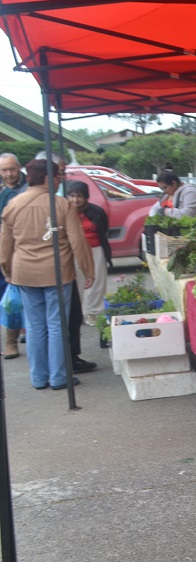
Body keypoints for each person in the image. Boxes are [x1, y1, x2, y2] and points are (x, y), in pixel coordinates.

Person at [0, 158, 95, 390]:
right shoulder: (61, 205)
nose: (58, 180)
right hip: (58, 273)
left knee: (34, 326)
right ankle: (59, 377)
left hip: (24, 273)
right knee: (56, 325)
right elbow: (77, 242)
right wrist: (88, 270)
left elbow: (5, 243)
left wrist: (7, 270)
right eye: (56, 176)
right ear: (46, 178)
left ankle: (38, 378)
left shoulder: (13, 204)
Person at [65, 180, 111, 327]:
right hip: (73, 252)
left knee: (97, 283)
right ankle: (77, 314)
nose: (75, 200)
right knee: (75, 283)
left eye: (78, 196)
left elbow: (103, 229)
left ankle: (93, 313)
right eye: (71, 196)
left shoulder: (96, 211)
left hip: (95, 249)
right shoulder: (64, 212)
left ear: (86, 197)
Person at [0, 152, 28, 358]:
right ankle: (11, 341)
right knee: (9, 299)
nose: (9, 174)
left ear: (19, 167)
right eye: (4, 170)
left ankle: (28, 332)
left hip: (27, 251)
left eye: (12, 169)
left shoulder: (30, 187)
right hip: (4, 251)